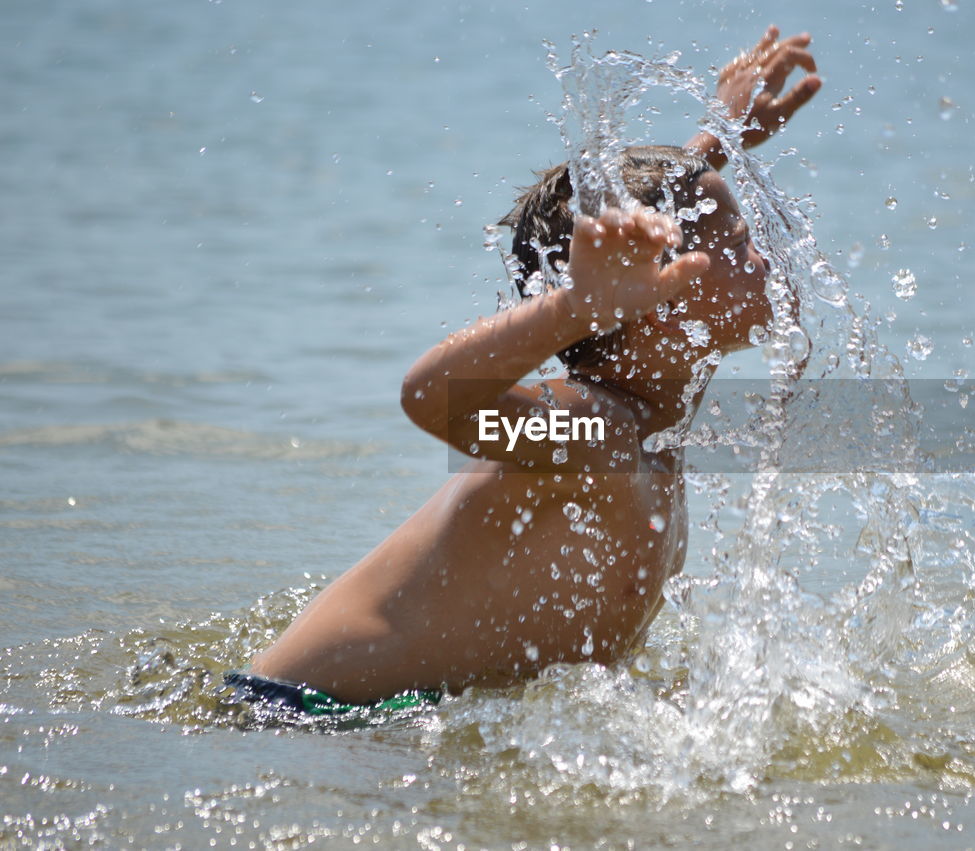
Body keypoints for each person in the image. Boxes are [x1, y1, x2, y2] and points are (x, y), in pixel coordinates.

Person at [228, 27, 821, 715]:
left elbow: (657, 232)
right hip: (298, 718)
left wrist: (715, 138)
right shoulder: (587, 431)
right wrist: (576, 305)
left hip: (375, 715)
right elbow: (434, 401)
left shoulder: (648, 419)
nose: (768, 255)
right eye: (743, 243)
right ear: (656, 299)